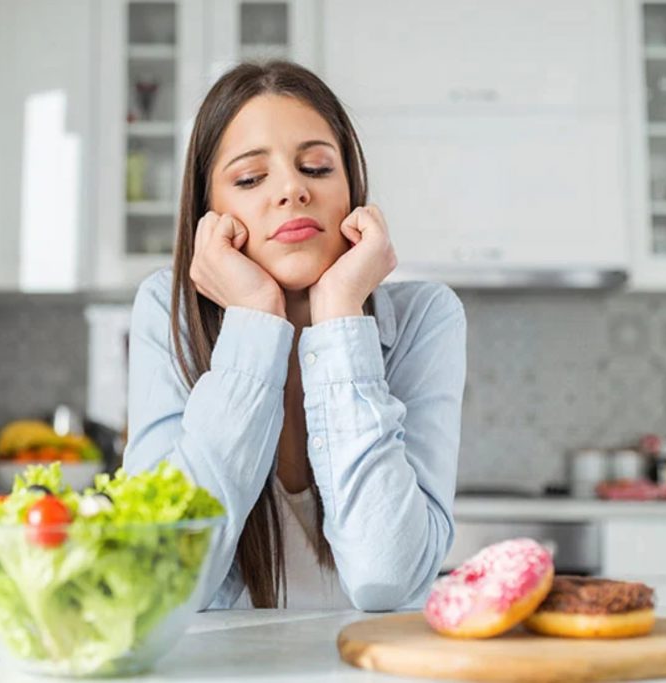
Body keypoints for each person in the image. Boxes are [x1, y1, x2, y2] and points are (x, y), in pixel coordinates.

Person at [123, 60, 466, 611]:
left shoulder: (428, 316)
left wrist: (339, 317)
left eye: (316, 167)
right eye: (251, 179)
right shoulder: (168, 313)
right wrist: (256, 320)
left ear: (352, 191)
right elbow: (158, 579)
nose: (291, 190)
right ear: (211, 215)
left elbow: (388, 577)